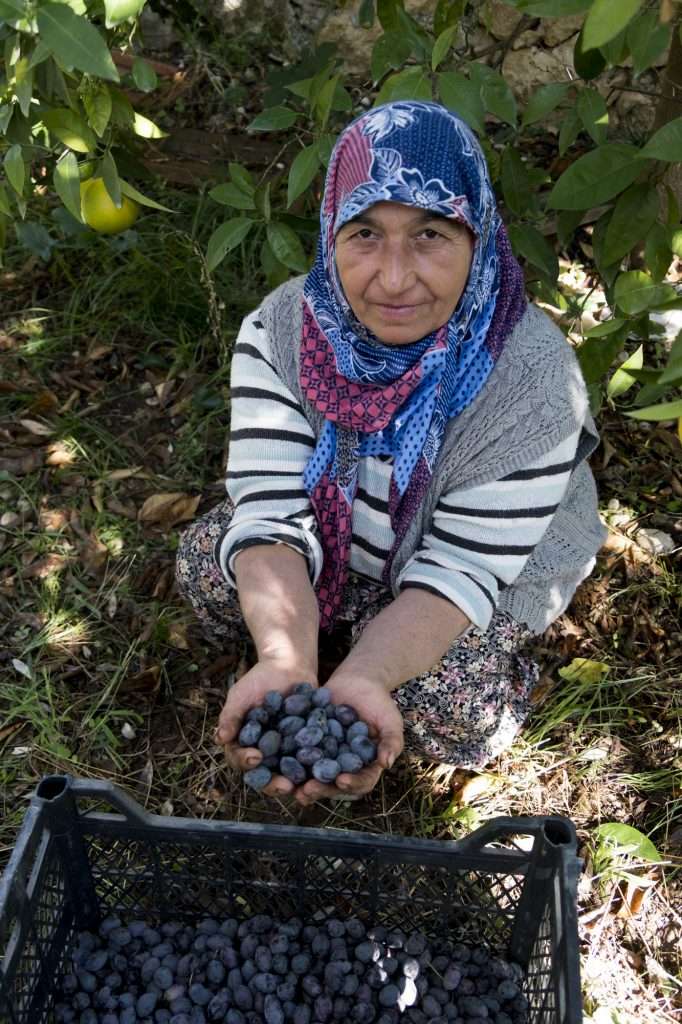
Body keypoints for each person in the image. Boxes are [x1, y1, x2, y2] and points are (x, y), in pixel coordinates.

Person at [176, 100, 605, 806]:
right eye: (366, 232)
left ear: (479, 236)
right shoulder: (285, 330)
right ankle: (329, 629)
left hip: (465, 572)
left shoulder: (534, 385)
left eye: (431, 234)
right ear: (328, 233)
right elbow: (274, 512)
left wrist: (369, 675)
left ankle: (427, 649)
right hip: (342, 531)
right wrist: (284, 655)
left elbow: (459, 570)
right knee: (209, 566)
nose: (396, 278)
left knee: (453, 708)